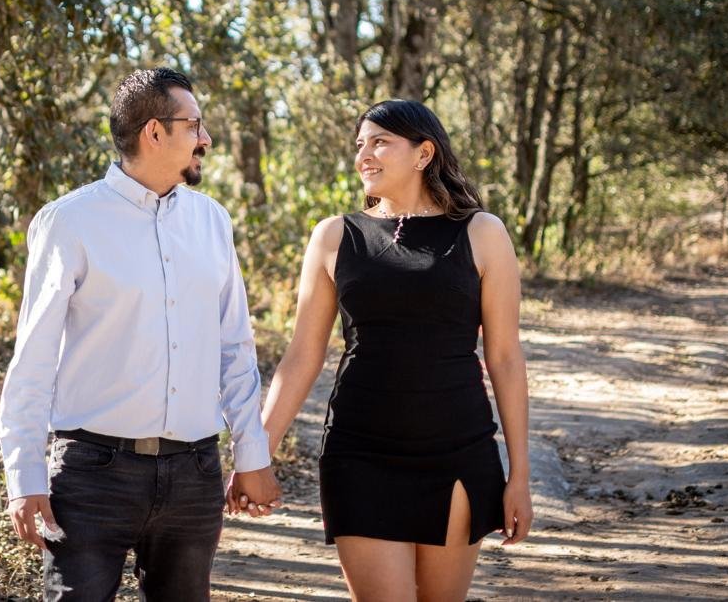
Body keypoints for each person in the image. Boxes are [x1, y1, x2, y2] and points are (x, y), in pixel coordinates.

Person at [228, 99, 532, 601]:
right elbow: (302, 355)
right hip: (359, 454)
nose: (364, 155)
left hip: (457, 452)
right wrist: (254, 454)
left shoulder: (482, 232)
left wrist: (519, 475)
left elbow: (504, 358)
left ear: (423, 153)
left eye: (380, 142)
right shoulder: (333, 236)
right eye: (360, 145)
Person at [0, 67, 282, 601]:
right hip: (92, 477)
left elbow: (235, 350)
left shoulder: (212, 221)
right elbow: (33, 359)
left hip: (195, 474)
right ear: (154, 132)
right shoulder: (69, 222)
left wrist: (253, 455)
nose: (205, 138)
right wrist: (24, 476)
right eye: (194, 125)